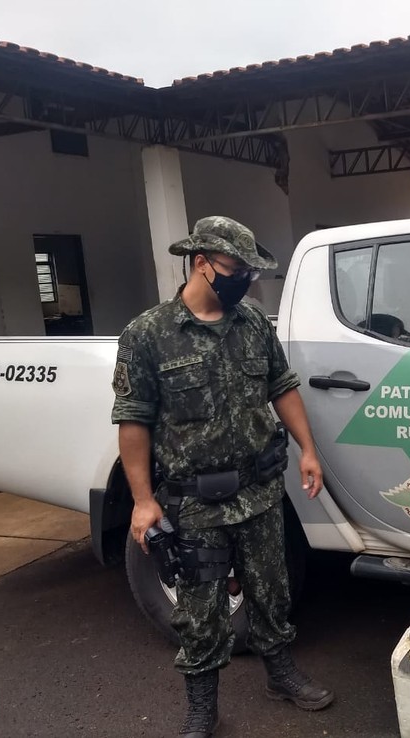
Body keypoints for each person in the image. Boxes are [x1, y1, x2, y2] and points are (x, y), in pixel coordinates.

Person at [111, 216, 333, 738]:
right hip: (195, 505)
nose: (243, 282)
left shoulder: (253, 323)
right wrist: (143, 501)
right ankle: (202, 707)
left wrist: (308, 449)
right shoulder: (148, 335)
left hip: (259, 492)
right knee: (201, 611)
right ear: (201, 262)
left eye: (250, 275)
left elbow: (282, 387)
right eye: (235, 270)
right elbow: (133, 421)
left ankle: (281, 675)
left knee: (271, 592)